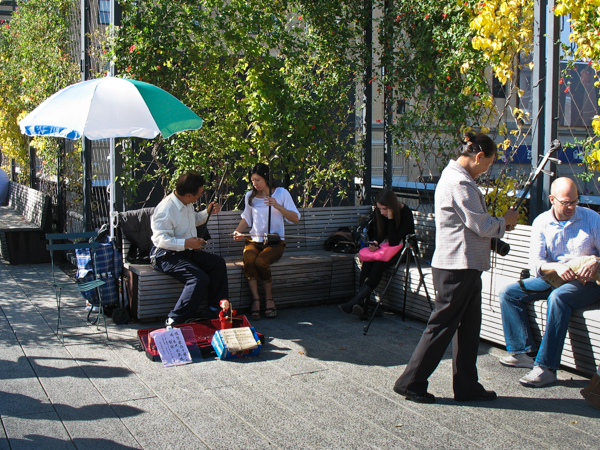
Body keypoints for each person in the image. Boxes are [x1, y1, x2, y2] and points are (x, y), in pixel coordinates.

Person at [393, 132, 519, 403]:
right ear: (478, 156)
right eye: (488, 163)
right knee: (442, 326)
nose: (488, 169)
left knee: (468, 328)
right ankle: (410, 382)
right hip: (457, 266)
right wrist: (504, 221)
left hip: (464, 265)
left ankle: (466, 386)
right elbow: (481, 224)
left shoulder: (457, 178)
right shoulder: (460, 181)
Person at [498, 177, 600, 387]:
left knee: (559, 298)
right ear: (552, 199)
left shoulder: (592, 218)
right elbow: (537, 264)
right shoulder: (542, 222)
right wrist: (557, 267)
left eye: (575, 201)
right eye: (566, 202)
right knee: (509, 293)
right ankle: (522, 352)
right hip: (553, 276)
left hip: (586, 281)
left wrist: (596, 261)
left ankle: (546, 367)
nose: (571, 206)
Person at [151, 171, 229, 326]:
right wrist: (186, 243)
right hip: (165, 255)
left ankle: (214, 310)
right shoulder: (165, 209)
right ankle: (175, 319)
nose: (199, 197)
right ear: (188, 194)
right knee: (198, 279)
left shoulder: (186, 203)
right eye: (198, 194)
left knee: (218, 263)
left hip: (186, 252)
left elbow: (193, 220)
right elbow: (160, 240)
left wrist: (208, 212)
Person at [233, 163, 300, 320]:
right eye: (252, 180)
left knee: (261, 261)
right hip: (254, 240)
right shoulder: (250, 195)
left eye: (258, 180)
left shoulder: (281, 193)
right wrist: (238, 231)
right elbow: (246, 218)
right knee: (249, 259)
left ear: (267, 179)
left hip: (274, 242)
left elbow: (295, 218)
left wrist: (277, 205)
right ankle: (256, 299)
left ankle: (269, 299)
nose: (255, 184)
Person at [338, 189, 415, 319]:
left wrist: (390, 218)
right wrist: (374, 242)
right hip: (386, 249)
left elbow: (394, 241)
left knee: (379, 263)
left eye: (384, 209)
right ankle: (362, 305)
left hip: (404, 250)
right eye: (379, 209)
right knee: (368, 262)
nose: (381, 212)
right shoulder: (379, 212)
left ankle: (356, 302)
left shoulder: (405, 213)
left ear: (392, 206)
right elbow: (378, 234)